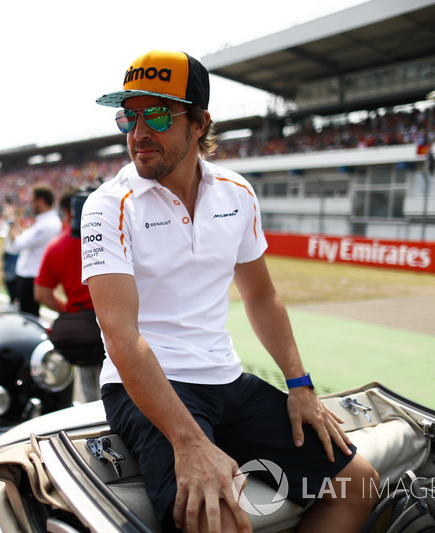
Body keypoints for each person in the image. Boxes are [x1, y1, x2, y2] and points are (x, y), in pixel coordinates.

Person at [81, 50, 379, 533]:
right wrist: (190, 442)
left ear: (200, 122)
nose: (138, 133)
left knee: (358, 484)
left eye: (157, 114)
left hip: (226, 379)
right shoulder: (107, 205)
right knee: (212, 516)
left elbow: (261, 297)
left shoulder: (237, 192)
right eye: (128, 116)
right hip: (147, 385)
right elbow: (119, 334)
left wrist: (299, 385)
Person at [34, 189, 103, 401]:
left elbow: (42, 293)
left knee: (90, 389)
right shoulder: (112, 236)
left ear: (66, 211)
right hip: (115, 322)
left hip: (82, 327)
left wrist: (71, 309)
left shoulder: (57, 246)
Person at [8, 185, 60, 317]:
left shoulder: (46, 224)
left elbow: (17, 244)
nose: (30, 205)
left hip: (30, 277)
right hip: (31, 275)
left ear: (40, 201)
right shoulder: (46, 221)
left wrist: (11, 222)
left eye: (32, 201)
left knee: (28, 318)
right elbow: (24, 237)